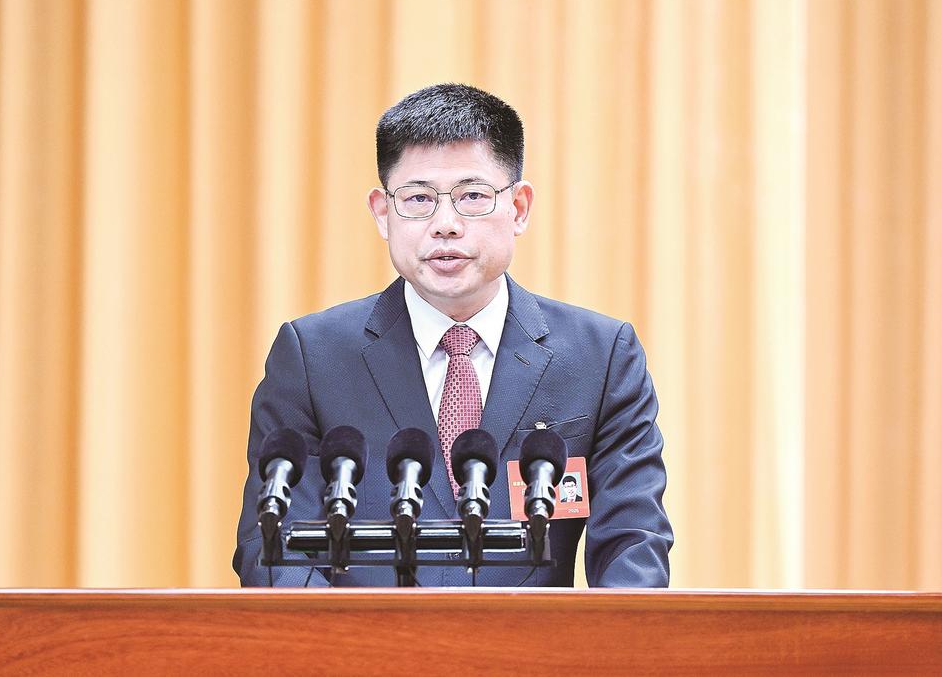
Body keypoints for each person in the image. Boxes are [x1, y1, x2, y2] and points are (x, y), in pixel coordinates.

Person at [233, 84, 673, 587]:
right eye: (418, 198)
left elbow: (634, 547)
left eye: (472, 197)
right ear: (382, 212)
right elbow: (272, 551)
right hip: (358, 639)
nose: (445, 225)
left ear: (519, 207)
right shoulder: (313, 358)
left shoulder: (601, 357)